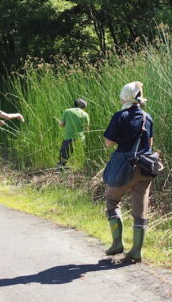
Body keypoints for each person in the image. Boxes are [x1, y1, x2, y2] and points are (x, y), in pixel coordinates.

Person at [103, 81, 156, 263]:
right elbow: (149, 145)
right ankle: (136, 251)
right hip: (146, 167)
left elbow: (108, 143)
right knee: (140, 209)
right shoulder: (147, 117)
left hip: (127, 166)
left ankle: (117, 243)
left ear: (125, 95)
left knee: (112, 199)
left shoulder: (120, 116)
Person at [56, 98, 90, 167]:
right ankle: (80, 166)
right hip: (80, 139)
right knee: (80, 153)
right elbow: (87, 129)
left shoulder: (67, 111)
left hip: (69, 136)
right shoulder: (85, 114)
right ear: (84, 106)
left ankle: (61, 166)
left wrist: (60, 123)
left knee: (64, 153)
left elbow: (62, 125)